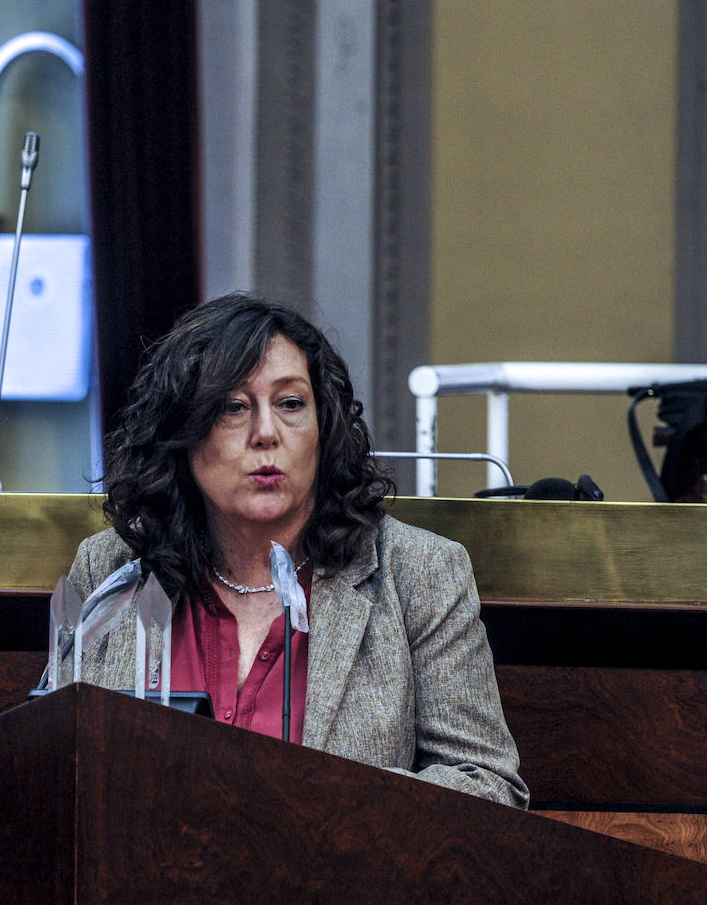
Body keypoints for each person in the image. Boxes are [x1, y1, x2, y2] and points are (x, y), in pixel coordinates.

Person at [64, 294, 528, 808]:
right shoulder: (111, 567)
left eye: (290, 404)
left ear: (323, 427)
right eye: (233, 407)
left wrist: (318, 805)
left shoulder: (419, 574)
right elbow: (55, 768)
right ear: (182, 433)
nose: (267, 433)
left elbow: (488, 787)